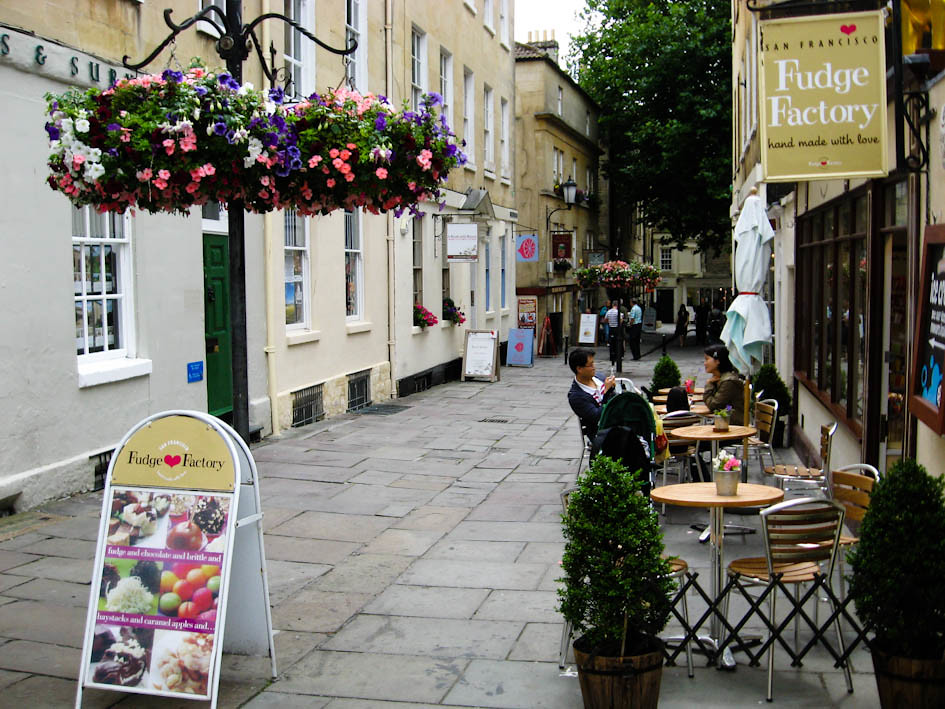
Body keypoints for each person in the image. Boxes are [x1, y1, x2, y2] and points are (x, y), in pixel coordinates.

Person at [567, 348, 616, 440]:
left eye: (593, 363)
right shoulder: (576, 397)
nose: (594, 367)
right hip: (601, 434)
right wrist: (606, 392)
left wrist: (612, 388)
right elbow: (597, 417)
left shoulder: (599, 378)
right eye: (590, 365)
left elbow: (615, 398)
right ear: (579, 369)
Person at [702, 344, 745, 424]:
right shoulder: (719, 378)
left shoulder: (728, 382)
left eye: (707, 359)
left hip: (732, 424)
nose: (705, 363)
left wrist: (709, 385)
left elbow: (713, 405)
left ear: (717, 361)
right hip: (724, 420)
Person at [605, 300, 622, 366]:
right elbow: (620, 320)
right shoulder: (618, 312)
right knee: (617, 342)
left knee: (611, 342)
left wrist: (610, 322)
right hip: (616, 328)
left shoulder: (608, 312)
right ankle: (617, 355)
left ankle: (612, 356)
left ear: (612, 305)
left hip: (611, 328)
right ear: (617, 305)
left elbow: (605, 320)